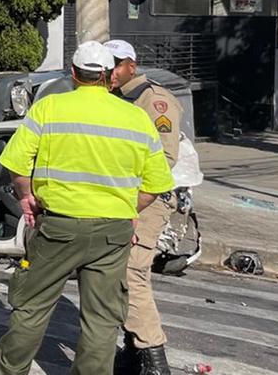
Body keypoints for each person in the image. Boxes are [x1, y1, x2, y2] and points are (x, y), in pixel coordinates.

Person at [0, 41, 174, 375]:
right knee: (102, 319)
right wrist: (129, 209)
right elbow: (157, 184)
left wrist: (26, 195)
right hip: (113, 233)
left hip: (58, 227)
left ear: (74, 73)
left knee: (32, 307)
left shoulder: (49, 108)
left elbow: (17, 164)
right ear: (106, 76)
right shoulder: (136, 118)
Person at [105, 39, 183, 375]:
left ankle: (154, 360)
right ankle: (133, 352)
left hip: (148, 197)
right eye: (107, 65)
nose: (111, 71)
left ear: (131, 66)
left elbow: (165, 159)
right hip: (119, 197)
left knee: (131, 273)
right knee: (113, 274)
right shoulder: (113, 99)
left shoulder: (154, 99)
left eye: (117, 64)